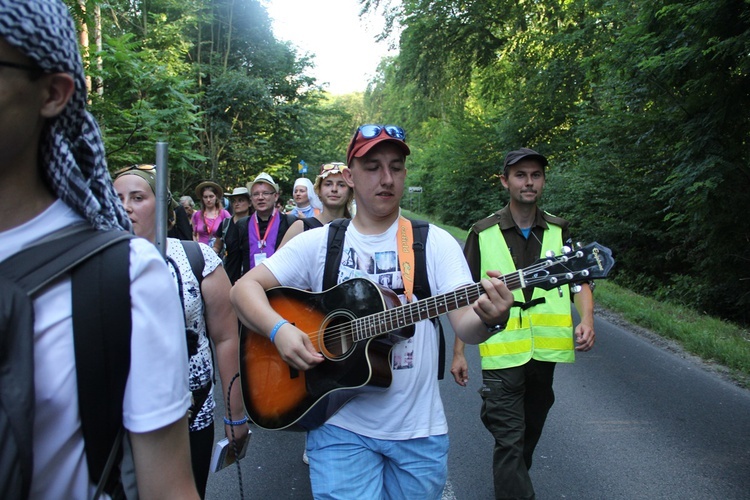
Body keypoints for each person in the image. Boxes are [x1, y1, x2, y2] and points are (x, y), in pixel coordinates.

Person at [230, 124, 515, 499]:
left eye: (396, 167)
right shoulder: (321, 242)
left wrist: (492, 317)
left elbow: (466, 324)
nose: (386, 178)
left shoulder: (434, 243)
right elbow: (242, 289)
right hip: (337, 426)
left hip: (418, 433)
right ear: (349, 176)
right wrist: (280, 329)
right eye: (373, 167)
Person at [0, 1, 198, 497]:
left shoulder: (124, 279)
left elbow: (167, 487)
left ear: (52, 92)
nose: (131, 206)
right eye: (123, 195)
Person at [451, 147, 595, 500]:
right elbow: (464, 295)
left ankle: (510, 468)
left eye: (535, 175)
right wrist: (459, 352)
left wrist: (587, 319)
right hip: (501, 352)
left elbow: (580, 279)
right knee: (510, 441)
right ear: (505, 181)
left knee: (528, 431)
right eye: (520, 175)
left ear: (543, 181)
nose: (528, 182)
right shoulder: (483, 232)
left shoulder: (560, 229)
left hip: (545, 354)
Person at [114, 166, 249, 497]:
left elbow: (226, 338)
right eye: (116, 198)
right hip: (115, 415)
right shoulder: (92, 263)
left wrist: (235, 415)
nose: (126, 206)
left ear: (161, 207)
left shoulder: (195, 259)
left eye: (138, 197)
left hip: (192, 412)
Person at [233, 172, 294, 280]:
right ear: (251, 199)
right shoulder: (241, 225)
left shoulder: (289, 223)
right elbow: (234, 262)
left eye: (265, 193)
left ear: (275, 196)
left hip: (282, 287)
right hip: (250, 287)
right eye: (256, 194)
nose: (260, 198)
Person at [279, 162, 354, 247]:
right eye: (328, 184)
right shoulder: (300, 228)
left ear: (350, 193)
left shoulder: (357, 230)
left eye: (341, 185)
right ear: (319, 191)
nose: (334, 189)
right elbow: (277, 259)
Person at [215, 186, 252, 283]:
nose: (236, 203)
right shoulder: (225, 224)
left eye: (241, 200)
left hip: (250, 275)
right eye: (234, 201)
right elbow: (217, 247)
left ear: (249, 203)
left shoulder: (255, 223)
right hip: (229, 274)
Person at [192, 180, 231, 246]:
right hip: (201, 251)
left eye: (211, 196)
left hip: (218, 251)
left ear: (216, 197)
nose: (208, 200)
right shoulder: (197, 215)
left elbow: (230, 233)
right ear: (202, 198)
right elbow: (194, 234)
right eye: (205, 197)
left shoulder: (224, 214)